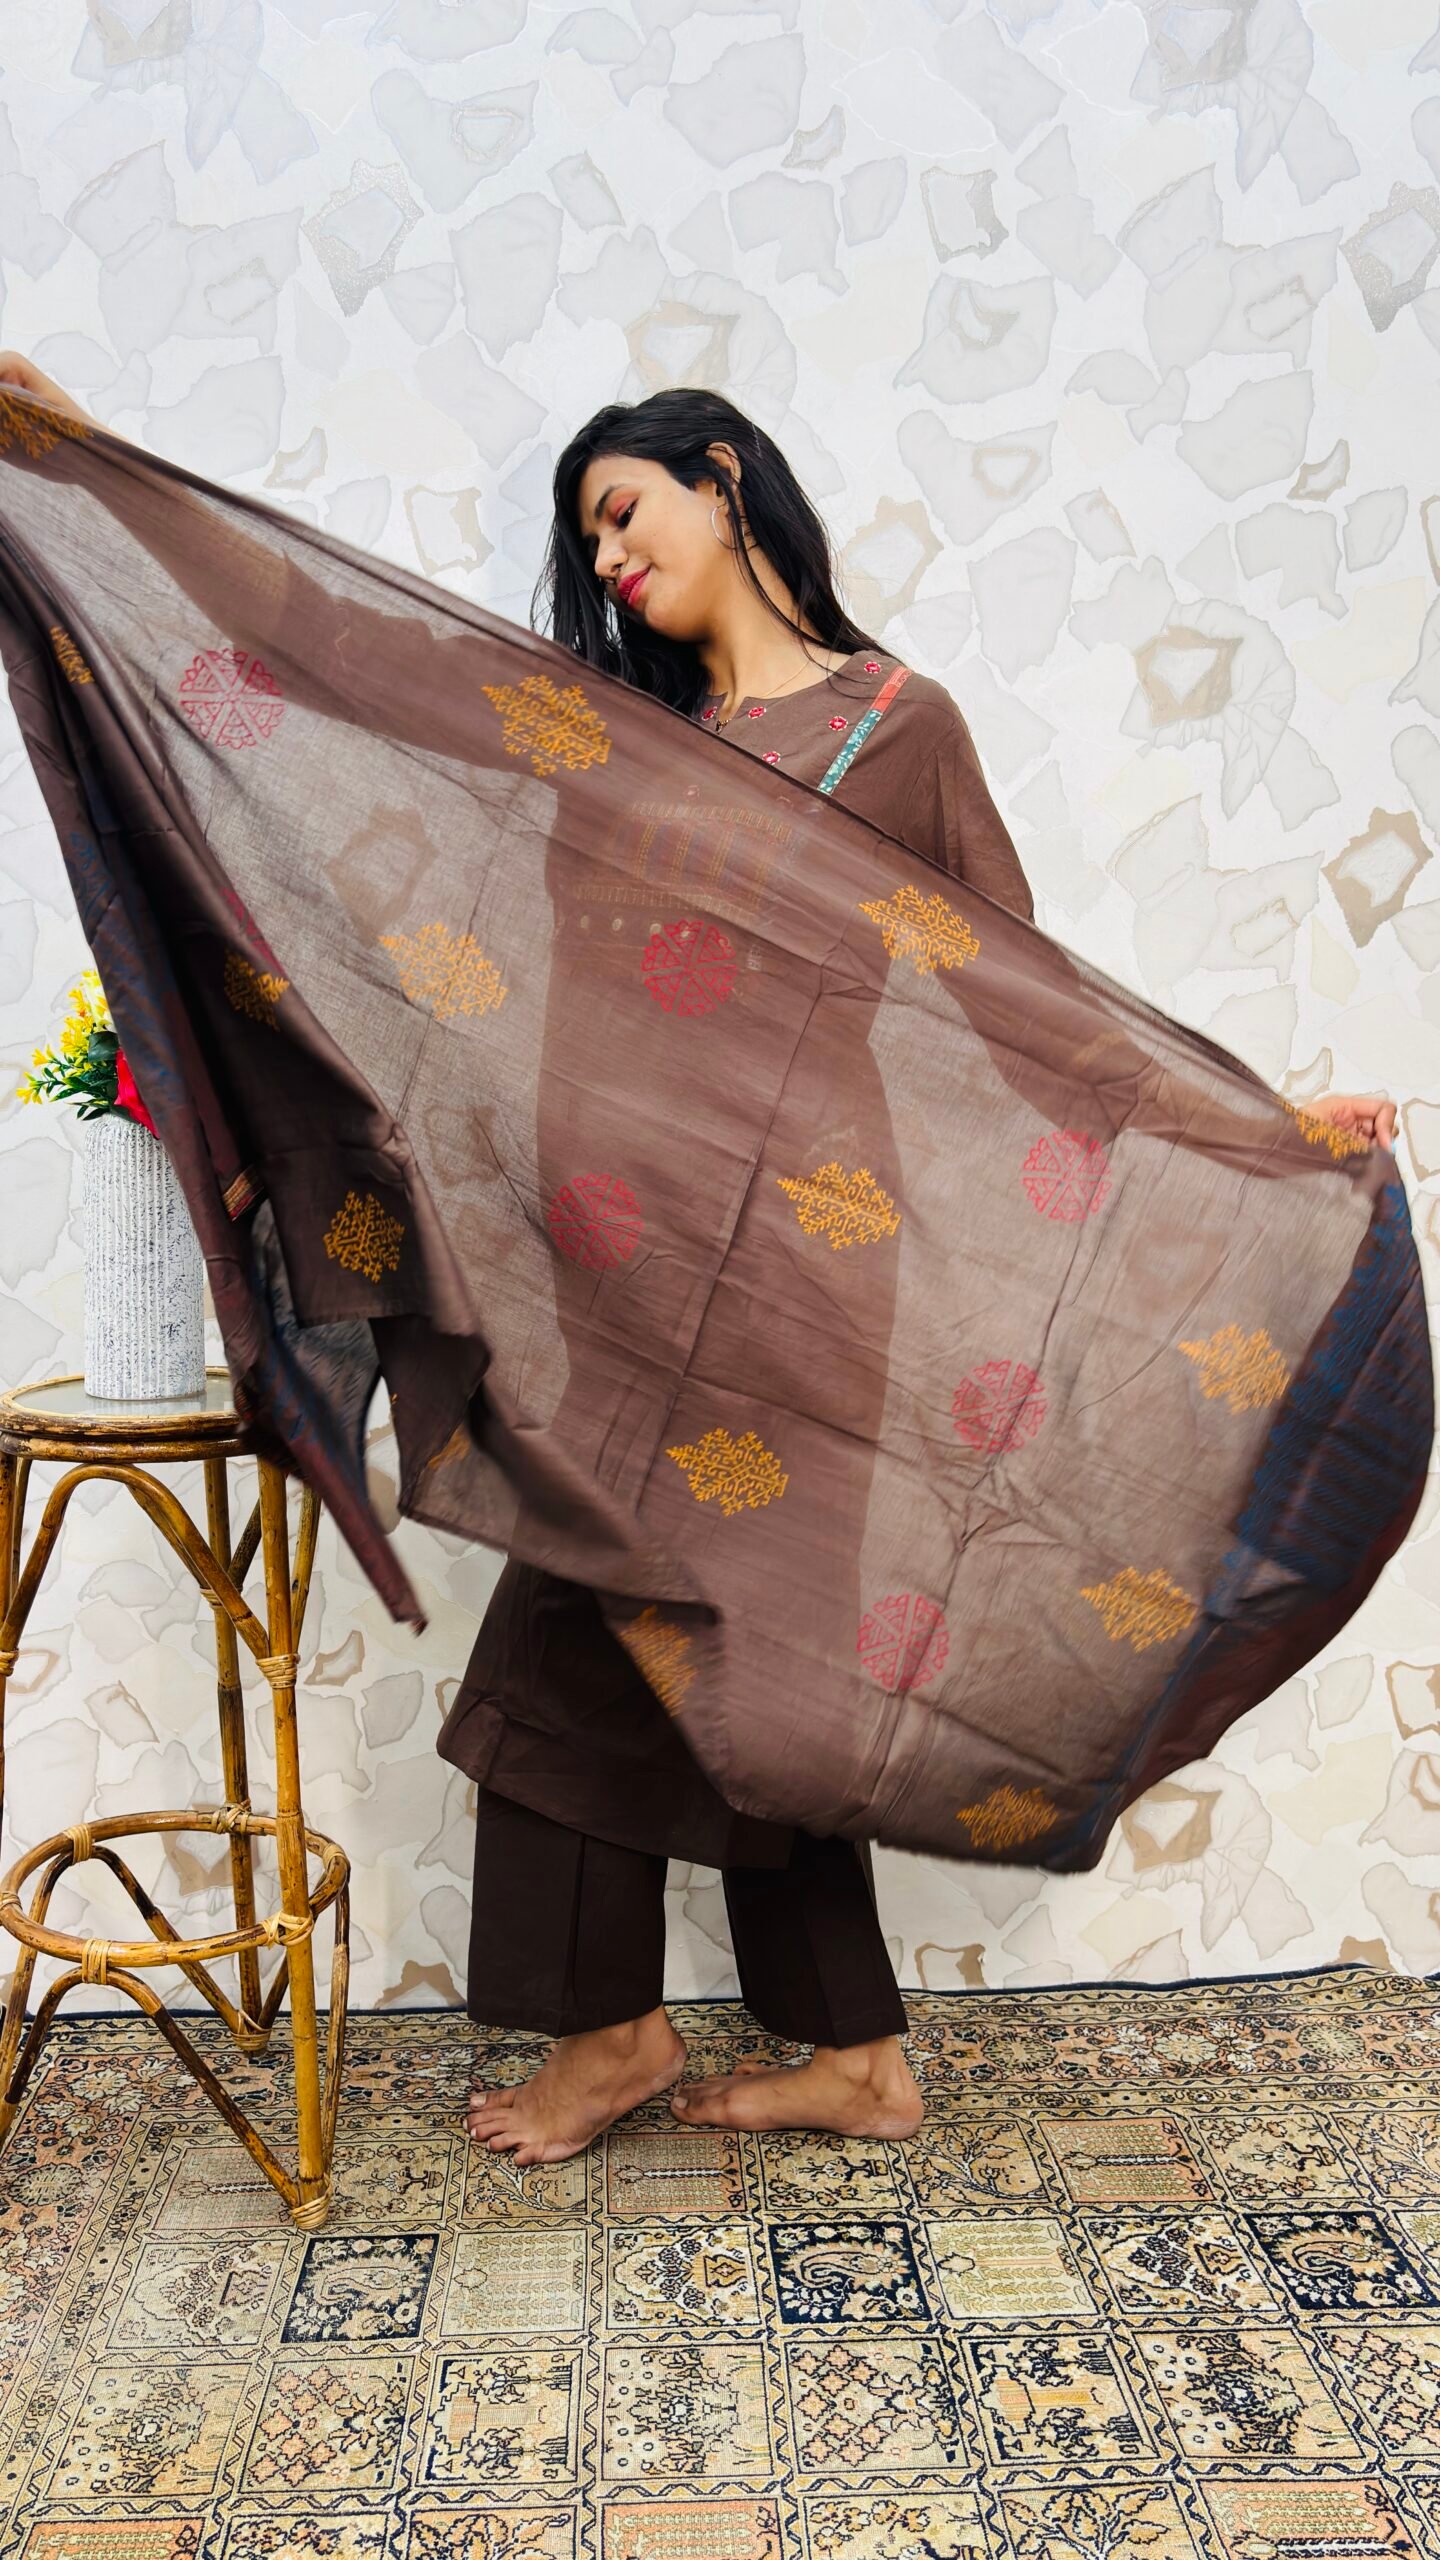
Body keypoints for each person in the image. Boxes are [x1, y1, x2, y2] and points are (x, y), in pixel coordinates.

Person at [0, 357, 1398, 2168]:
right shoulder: (606, 735)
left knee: (653, 1640)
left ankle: (616, 2037)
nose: (607, 558)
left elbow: (1026, 1013)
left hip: (816, 1275)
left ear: (721, 478)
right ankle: (851, 2056)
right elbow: (344, 654)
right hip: (620, 1272)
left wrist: (1261, 1125)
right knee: (740, 1651)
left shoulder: (901, 730)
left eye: (623, 510)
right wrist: (79, 463)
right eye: (588, 539)